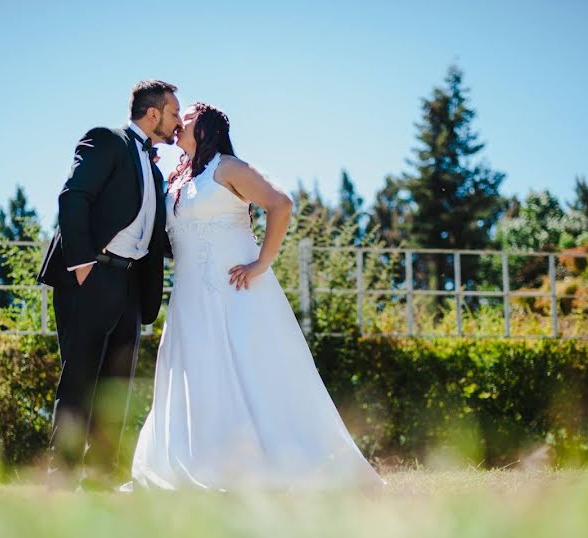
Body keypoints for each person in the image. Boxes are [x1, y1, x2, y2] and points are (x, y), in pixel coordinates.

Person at [125, 102, 384, 492]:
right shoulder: (177, 178)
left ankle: (290, 463)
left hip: (237, 291)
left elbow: (280, 204)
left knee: (255, 369)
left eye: (187, 118)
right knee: (197, 373)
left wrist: (262, 262)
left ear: (207, 128)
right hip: (190, 297)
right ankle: (202, 461)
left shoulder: (228, 168)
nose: (178, 123)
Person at [37, 80, 182, 490]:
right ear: (152, 114)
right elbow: (73, 197)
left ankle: (101, 479)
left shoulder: (155, 170)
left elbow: (158, 235)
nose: (177, 123)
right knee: (80, 380)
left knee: (117, 386)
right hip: (91, 276)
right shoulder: (106, 140)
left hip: (131, 288)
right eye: (173, 114)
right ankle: (60, 478)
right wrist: (83, 266)